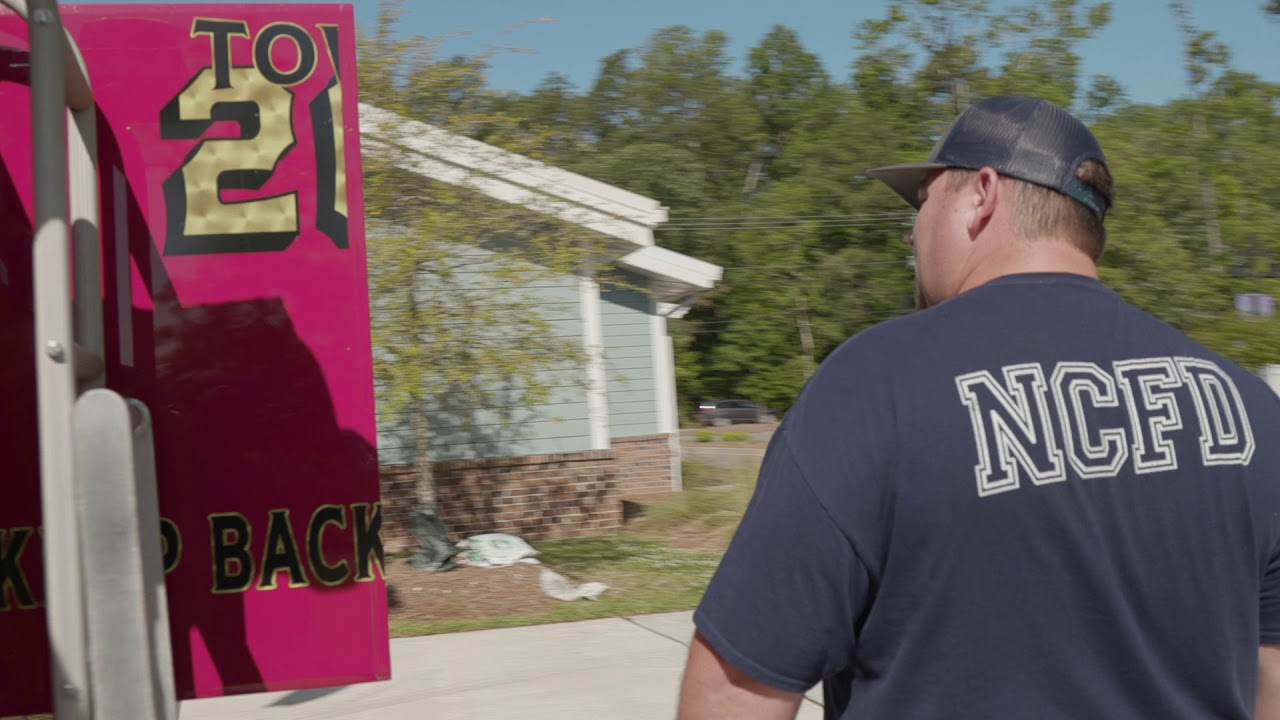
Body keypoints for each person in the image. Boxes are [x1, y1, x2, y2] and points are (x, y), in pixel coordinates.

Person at [676, 95, 1280, 719]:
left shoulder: (872, 387)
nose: (911, 230)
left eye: (923, 201)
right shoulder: (1250, 408)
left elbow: (736, 690)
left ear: (982, 194)